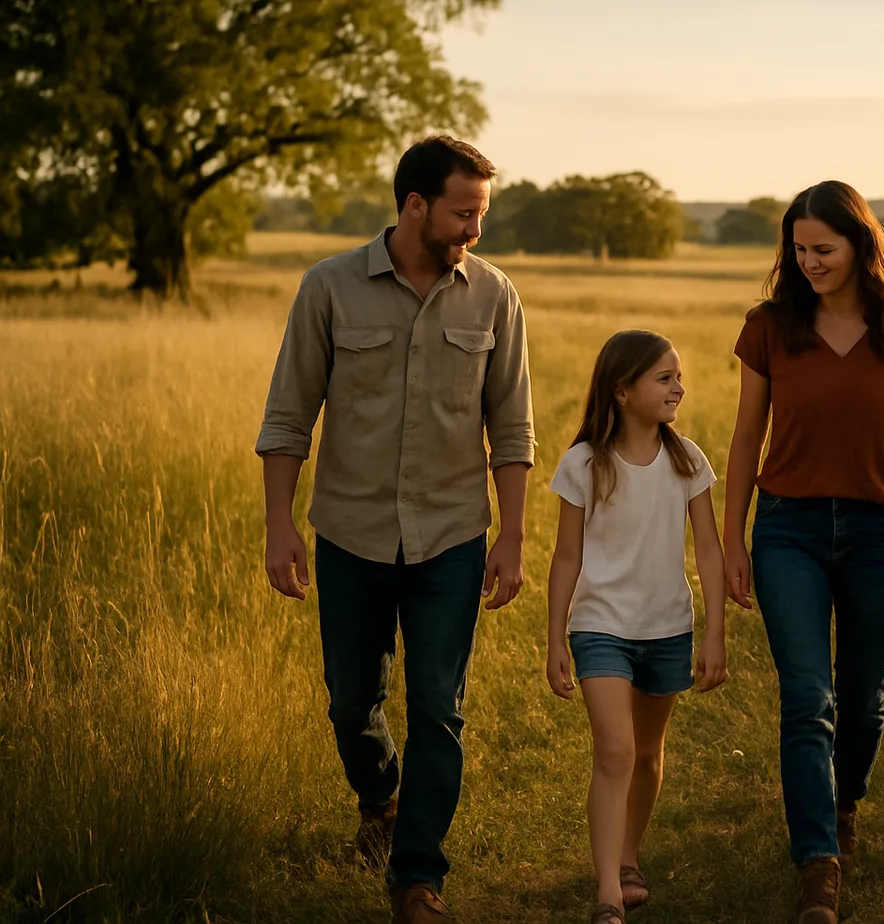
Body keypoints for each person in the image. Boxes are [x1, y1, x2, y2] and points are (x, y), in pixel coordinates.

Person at [256, 135, 534, 924]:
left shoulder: (495, 296)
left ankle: (418, 880)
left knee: (439, 709)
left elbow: (512, 429)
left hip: (452, 536)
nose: (476, 229)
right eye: (464, 213)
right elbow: (288, 419)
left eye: (481, 213)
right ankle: (379, 800)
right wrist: (280, 528)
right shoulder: (330, 288)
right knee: (351, 703)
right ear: (416, 206)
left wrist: (513, 537)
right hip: (352, 533)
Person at [723, 181, 884, 924]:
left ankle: (843, 799)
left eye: (824, 249)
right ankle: (818, 862)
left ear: (860, 245)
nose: (809, 262)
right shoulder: (769, 326)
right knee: (806, 697)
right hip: (787, 529)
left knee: (867, 698)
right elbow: (746, 437)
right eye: (799, 250)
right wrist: (732, 539)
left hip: (883, 532)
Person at [545, 330, 732, 924]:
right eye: (664, 378)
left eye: (679, 377)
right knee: (616, 751)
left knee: (648, 754)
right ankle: (607, 895)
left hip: (667, 627)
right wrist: (555, 640)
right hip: (600, 626)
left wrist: (715, 633)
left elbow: (709, 550)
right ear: (622, 391)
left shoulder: (688, 460)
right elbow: (566, 558)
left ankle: (628, 858)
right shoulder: (583, 464)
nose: (679, 388)